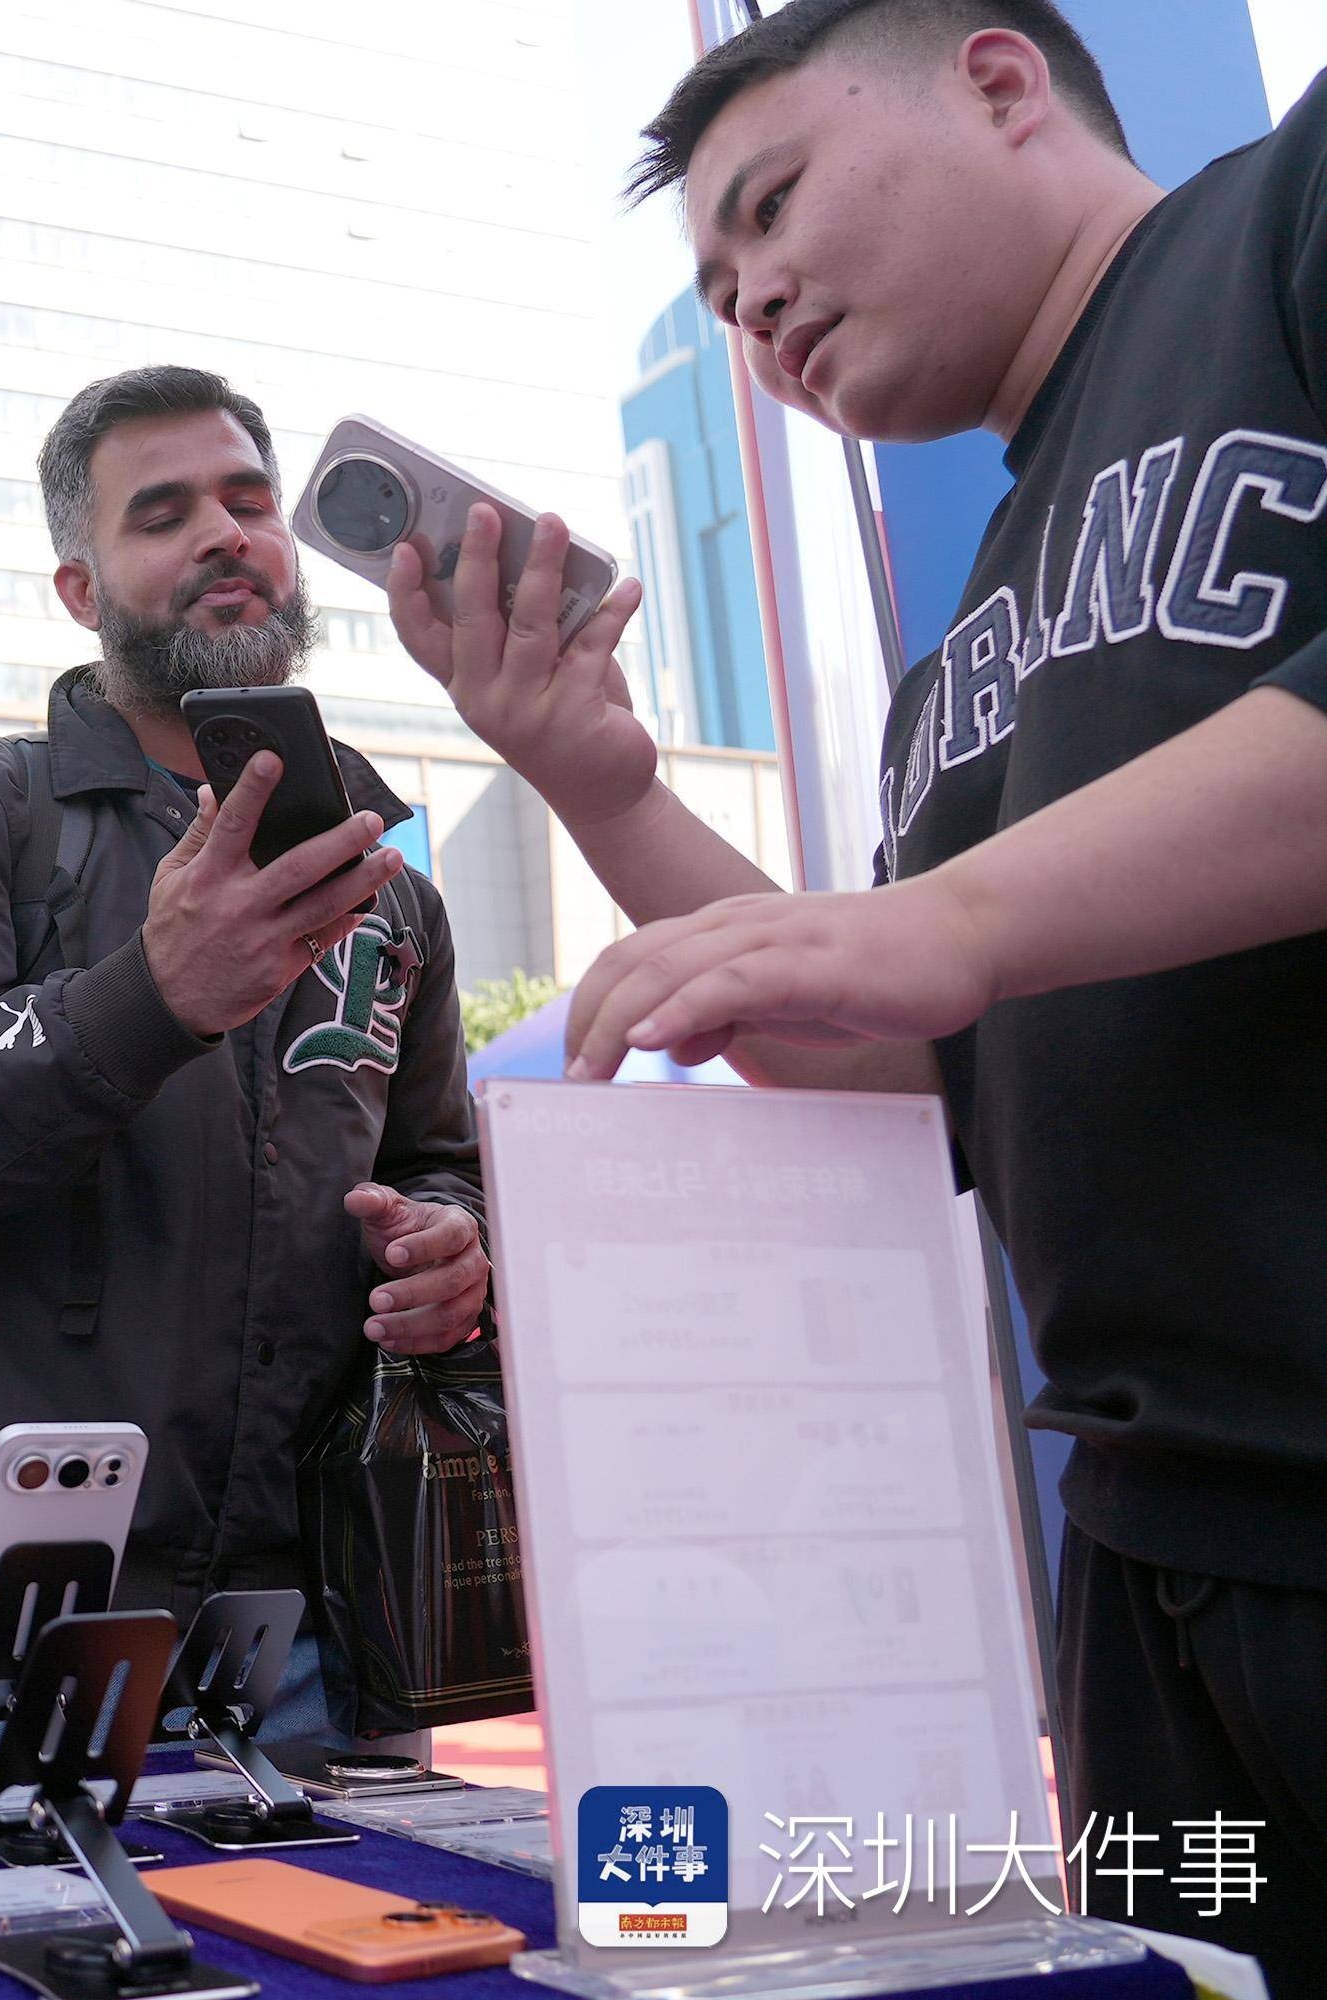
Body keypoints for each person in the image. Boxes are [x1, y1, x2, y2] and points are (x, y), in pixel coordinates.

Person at [404, 2, 1327, 1977]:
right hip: (1156, 1560)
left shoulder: (1292, 219)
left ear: (999, 83)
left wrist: (959, 917)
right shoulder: (967, 636)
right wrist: (599, 776)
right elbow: (926, 1073)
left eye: (773, 209)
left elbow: (957, 941)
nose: (758, 310)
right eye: (721, 294)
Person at [0, 366, 494, 1764]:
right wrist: (149, 998)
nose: (221, 535)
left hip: (331, 1607)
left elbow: (438, 1154)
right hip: (14, 1608)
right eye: (161, 513)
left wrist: (459, 1244)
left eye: (249, 501)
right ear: (82, 587)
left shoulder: (388, 879)